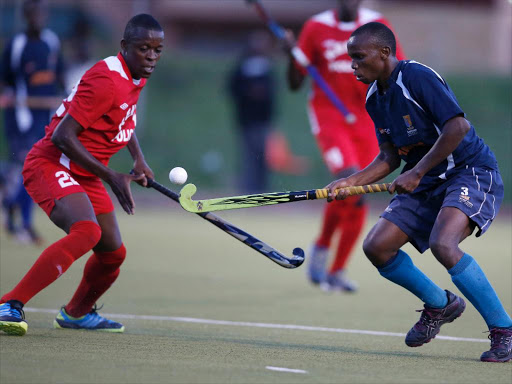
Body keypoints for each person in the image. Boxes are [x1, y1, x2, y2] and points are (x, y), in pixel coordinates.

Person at [327, 22, 511, 363]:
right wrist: (350, 182)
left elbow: (459, 127)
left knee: (444, 243)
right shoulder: (374, 98)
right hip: (425, 179)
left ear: (384, 54)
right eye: (351, 59)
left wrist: (418, 171)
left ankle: (504, 330)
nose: (353, 65)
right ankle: (441, 304)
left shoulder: (417, 77)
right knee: (377, 247)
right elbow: (389, 157)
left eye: (359, 57)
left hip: (468, 171)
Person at [0, 13, 164, 336]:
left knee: (113, 253)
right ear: (124, 46)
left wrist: (138, 159)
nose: (151, 56)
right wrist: (111, 176)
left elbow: (123, 117)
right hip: (51, 162)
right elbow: (62, 136)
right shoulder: (106, 80)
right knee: (87, 232)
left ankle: (76, 313)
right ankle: (10, 303)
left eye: (157, 50)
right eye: (144, 48)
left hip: (83, 171)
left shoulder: (136, 74)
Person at [286, 0, 406, 291]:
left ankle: (337, 270)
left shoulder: (377, 24)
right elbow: (294, 82)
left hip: (369, 118)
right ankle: (322, 247)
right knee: (349, 179)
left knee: (360, 194)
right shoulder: (316, 26)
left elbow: (396, 69)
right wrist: (291, 55)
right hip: (330, 117)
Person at [0, 0, 65, 244]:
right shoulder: (16, 44)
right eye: (34, 13)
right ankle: (24, 223)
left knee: (35, 168)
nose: (39, 18)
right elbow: (4, 78)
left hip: (45, 116)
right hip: (21, 117)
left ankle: (10, 205)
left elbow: (59, 75)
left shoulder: (51, 42)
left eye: (42, 13)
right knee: (30, 166)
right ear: (27, 16)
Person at [227, 30, 276, 193]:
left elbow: (273, 93)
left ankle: (262, 188)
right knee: (249, 155)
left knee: (263, 155)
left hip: (263, 119)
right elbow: (233, 89)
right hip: (247, 119)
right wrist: (249, 92)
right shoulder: (242, 67)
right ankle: (248, 188)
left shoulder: (267, 67)